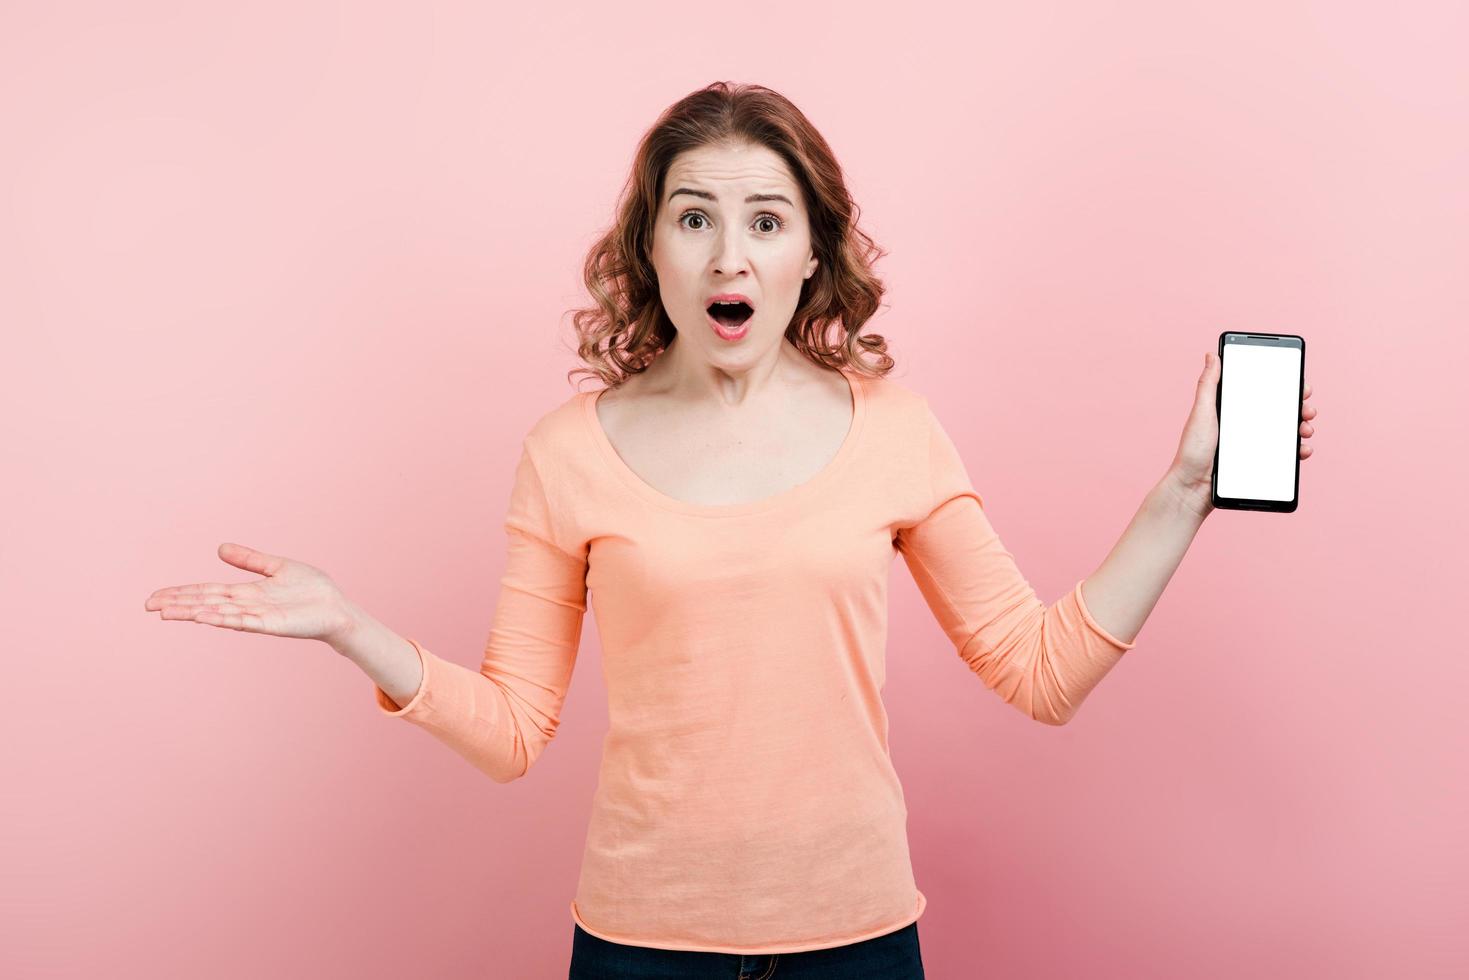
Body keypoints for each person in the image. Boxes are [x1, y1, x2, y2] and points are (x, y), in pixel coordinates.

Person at [144, 81, 1318, 978]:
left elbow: (1040, 668)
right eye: (692, 217)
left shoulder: (895, 432)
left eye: (765, 220)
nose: (727, 253)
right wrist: (353, 627)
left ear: (812, 253)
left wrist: (1182, 490)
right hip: (638, 940)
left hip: (857, 936)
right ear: (648, 249)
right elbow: (511, 729)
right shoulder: (566, 450)